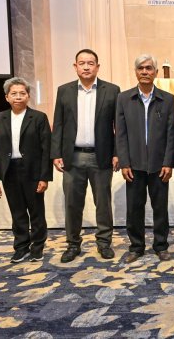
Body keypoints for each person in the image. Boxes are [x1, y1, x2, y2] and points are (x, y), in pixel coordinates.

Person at [51, 49, 120, 263]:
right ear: (75, 67)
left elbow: (119, 126)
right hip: (73, 157)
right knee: (72, 204)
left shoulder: (112, 90)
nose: (86, 67)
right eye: (82, 63)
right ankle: (73, 244)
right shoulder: (64, 91)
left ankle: (104, 243)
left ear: (98, 67)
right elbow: (58, 124)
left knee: (103, 203)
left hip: (102, 157)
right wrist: (56, 153)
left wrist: (117, 153)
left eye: (91, 63)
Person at [116, 54, 174, 263]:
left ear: (156, 72)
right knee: (134, 209)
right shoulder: (124, 99)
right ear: (135, 72)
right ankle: (136, 247)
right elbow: (120, 134)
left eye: (149, 68)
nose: (145, 72)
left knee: (160, 208)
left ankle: (161, 245)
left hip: (160, 166)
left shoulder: (167, 99)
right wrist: (124, 162)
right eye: (141, 68)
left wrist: (168, 162)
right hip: (134, 165)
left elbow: (171, 134)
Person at [0, 77, 52, 263]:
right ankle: (21, 247)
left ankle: (37, 247)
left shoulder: (39, 118)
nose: (18, 97)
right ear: (7, 97)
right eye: (14, 93)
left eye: (22, 93)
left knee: (36, 212)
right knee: (17, 212)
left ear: (28, 96)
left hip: (32, 172)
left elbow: (46, 150)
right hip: (9, 171)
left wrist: (44, 177)